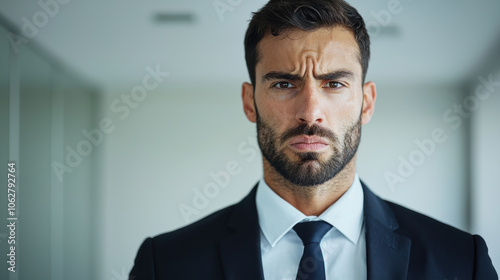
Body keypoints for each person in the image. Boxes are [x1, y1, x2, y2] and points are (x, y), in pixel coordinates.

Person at [129, 0, 498, 279]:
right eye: (284, 84)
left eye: (334, 84)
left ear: (365, 102)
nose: (310, 111)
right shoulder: (166, 264)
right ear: (249, 101)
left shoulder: (462, 261)